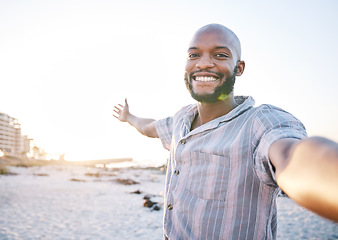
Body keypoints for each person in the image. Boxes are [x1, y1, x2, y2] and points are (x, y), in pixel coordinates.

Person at [113, 24, 338, 239]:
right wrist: (129, 118)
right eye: (194, 55)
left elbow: (291, 156)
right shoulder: (181, 119)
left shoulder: (259, 123)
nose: (203, 63)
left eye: (220, 55)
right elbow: (150, 127)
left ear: (238, 68)